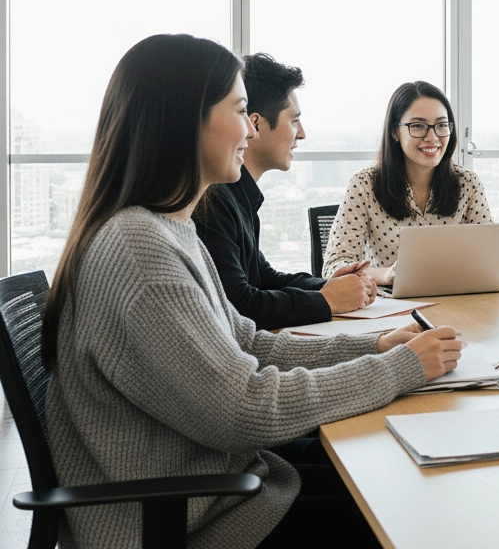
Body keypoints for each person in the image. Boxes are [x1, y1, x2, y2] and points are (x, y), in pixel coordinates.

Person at [42, 34, 464, 548]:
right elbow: (243, 410)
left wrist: (374, 346)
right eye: (241, 111)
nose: (250, 128)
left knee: (394, 469)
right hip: (197, 515)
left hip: (221, 484)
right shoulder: (141, 250)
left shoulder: (168, 228)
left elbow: (248, 342)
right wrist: (399, 368)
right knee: (407, 506)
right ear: (186, 120)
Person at [194, 53, 377, 330]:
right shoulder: (214, 200)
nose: (301, 134)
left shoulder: (240, 195)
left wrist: (329, 286)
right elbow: (239, 305)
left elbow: (264, 278)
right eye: (294, 121)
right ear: (255, 124)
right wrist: (326, 300)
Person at [322, 80, 492, 284]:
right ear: (395, 131)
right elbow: (335, 266)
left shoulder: (467, 183)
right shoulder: (364, 185)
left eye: (441, 125)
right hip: (390, 305)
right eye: (418, 126)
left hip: (456, 302)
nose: (432, 137)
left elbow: (490, 260)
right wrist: (385, 275)